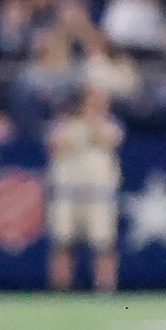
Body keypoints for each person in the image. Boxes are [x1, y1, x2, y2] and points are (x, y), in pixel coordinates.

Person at [44, 86, 125, 293]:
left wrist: (93, 122)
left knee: (103, 243)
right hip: (67, 192)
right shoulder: (63, 125)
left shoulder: (109, 124)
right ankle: (60, 285)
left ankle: (105, 285)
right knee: (62, 242)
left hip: (98, 194)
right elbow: (56, 144)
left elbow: (108, 138)